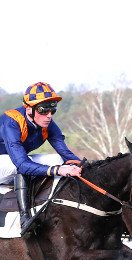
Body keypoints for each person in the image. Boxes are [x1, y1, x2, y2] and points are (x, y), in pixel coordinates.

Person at [0, 82, 83, 235]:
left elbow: (66, 154)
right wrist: (58, 170)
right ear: (29, 109)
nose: (49, 115)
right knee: (17, 166)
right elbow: (22, 164)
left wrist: (84, 166)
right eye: (43, 110)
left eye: (52, 110)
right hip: (7, 162)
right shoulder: (11, 121)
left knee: (57, 159)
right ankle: (25, 218)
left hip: (15, 160)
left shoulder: (47, 123)